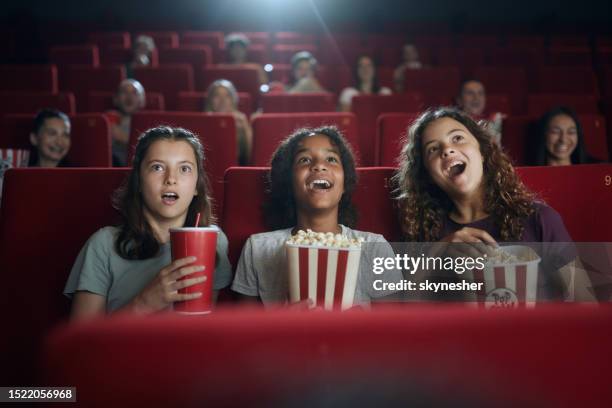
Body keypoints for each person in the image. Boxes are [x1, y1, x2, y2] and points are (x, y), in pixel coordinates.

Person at [394, 107, 594, 301]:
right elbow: (408, 317)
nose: (447, 150)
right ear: (428, 175)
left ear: (482, 151)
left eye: (457, 138)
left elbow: (587, 305)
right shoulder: (423, 234)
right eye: (433, 149)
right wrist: (437, 251)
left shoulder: (540, 220)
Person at [64, 126, 233, 319]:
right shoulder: (103, 244)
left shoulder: (215, 241)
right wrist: (143, 303)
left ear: (197, 186)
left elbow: (204, 324)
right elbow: (82, 343)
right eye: (157, 167)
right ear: (139, 181)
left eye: (184, 169)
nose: (171, 179)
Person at [231, 126, 402, 307]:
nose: (319, 165)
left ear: (345, 183)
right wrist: (281, 324)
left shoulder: (375, 247)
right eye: (304, 160)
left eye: (331, 159)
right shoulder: (257, 248)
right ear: (288, 182)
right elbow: (244, 330)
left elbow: (394, 330)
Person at [204, 79, 253, 165]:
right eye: (216, 95)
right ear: (210, 100)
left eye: (227, 96)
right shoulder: (202, 120)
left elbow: (250, 157)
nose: (222, 100)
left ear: (233, 100)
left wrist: (245, 128)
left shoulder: (240, 121)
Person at [531, 106, 598, 166]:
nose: (563, 139)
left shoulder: (596, 169)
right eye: (555, 132)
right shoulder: (527, 175)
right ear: (544, 134)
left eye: (571, 132)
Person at [107, 79, 146, 166]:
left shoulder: (147, 122)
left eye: (134, 93)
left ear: (142, 100)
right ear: (116, 99)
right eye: (124, 92)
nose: (129, 96)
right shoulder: (109, 118)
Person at [455, 78, 504, 145]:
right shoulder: (453, 123)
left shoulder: (497, 120)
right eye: (470, 93)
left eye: (480, 93)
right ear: (459, 100)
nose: (476, 98)